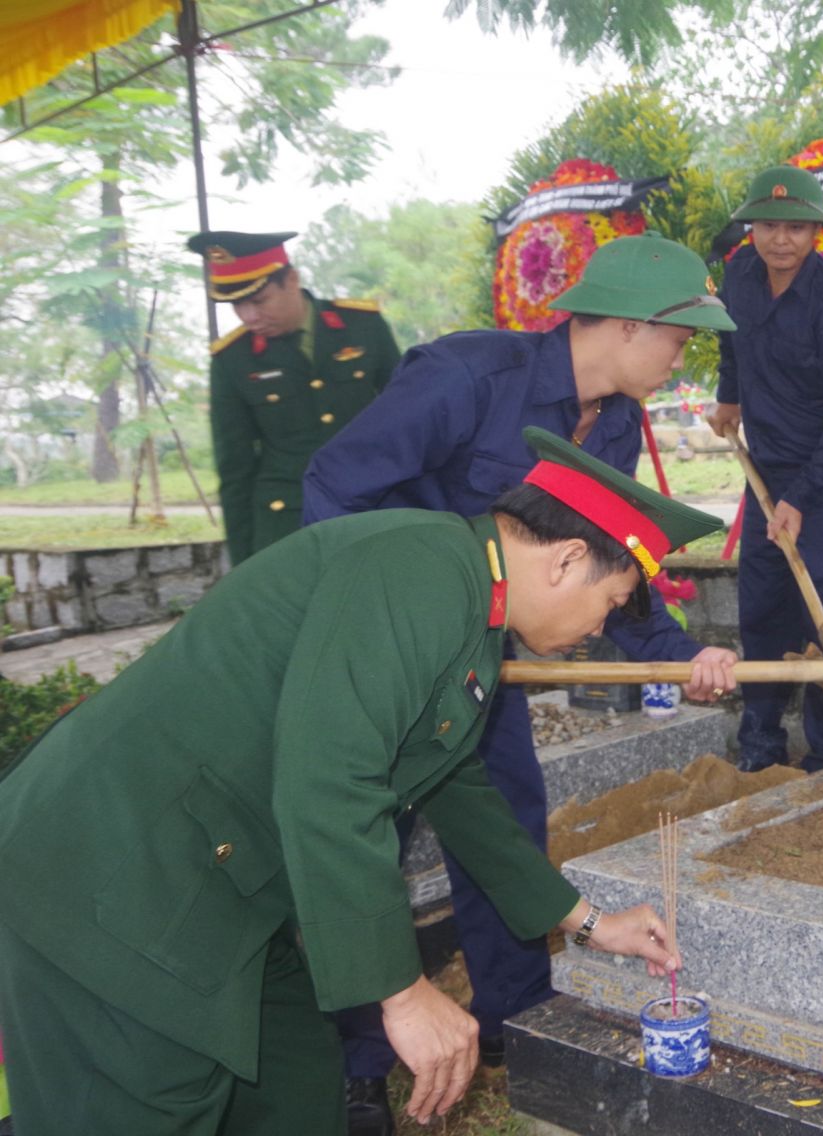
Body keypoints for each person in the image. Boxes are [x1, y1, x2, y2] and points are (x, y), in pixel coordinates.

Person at [0, 426, 721, 1136]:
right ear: (566, 559)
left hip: (218, 883)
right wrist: (402, 992)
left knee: (295, 1085)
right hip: (113, 877)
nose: (599, 629)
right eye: (611, 602)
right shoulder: (419, 571)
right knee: (147, 1098)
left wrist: (587, 922)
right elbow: (332, 781)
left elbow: (453, 785)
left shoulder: (468, 602)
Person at [302, 233, 740, 1134]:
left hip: (484, 662)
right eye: (680, 337)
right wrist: (366, 640)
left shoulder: (613, 422)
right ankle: (359, 1063)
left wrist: (672, 649)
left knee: (505, 816)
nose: (683, 357)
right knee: (363, 841)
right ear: (629, 324)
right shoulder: (466, 377)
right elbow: (335, 488)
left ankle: (512, 1017)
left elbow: (610, 558)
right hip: (385, 656)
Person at [706, 166, 823, 775]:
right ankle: (761, 735)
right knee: (762, 603)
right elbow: (730, 341)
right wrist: (729, 397)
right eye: (768, 226)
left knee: (821, 609)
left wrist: (803, 497)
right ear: (751, 229)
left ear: (816, 233)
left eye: (795, 228)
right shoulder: (740, 275)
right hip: (767, 469)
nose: (780, 240)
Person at [188, 230, 401, 565]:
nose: (249, 317)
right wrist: (245, 567)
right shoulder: (232, 359)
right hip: (287, 528)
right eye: (237, 305)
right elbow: (235, 470)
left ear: (291, 279)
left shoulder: (363, 327)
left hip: (374, 511)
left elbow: (408, 420)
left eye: (259, 301)